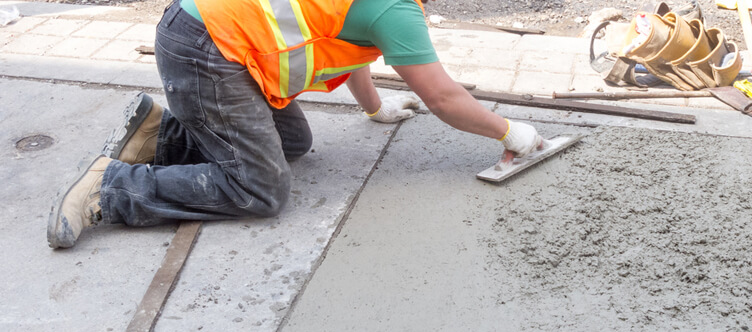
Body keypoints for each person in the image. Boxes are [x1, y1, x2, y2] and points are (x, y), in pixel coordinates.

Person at [47, 0, 542, 249]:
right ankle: (110, 190)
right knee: (259, 188)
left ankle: (163, 133)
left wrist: (374, 108)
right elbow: (443, 96)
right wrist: (509, 132)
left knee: (293, 141)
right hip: (209, 50)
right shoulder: (396, 11)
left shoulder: (378, 9)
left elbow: (349, 43)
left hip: (209, 36)